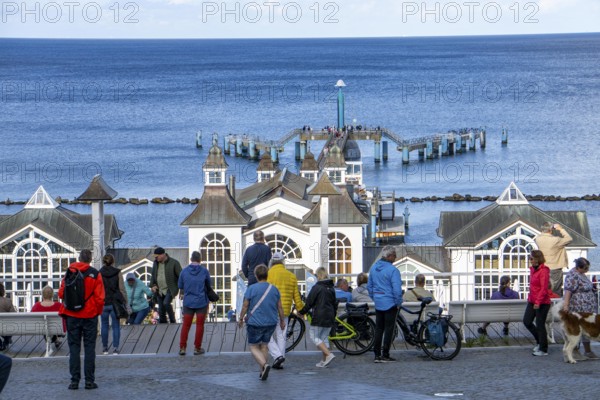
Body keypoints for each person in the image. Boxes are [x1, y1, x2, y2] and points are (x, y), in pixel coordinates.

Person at [58, 249, 104, 390]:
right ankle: (89, 381)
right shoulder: (95, 274)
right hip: (89, 314)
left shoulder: (69, 272)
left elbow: (61, 293)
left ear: (79, 258)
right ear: (90, 260)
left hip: (72, 315)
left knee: (74, 348)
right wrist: (97, 312)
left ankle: (74, 381)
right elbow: (100, 298)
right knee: (90, 348)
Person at [238, 264, 285, 381]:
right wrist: (282, 321)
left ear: (256, 275)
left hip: (255, 323)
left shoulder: (251, 289)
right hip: (271, 323)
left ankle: (264, 365)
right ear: (267, 275)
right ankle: (262, 371)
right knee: (264, 346)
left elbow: (245, 306)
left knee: (253, 347)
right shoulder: (274, 289)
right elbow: (280, 307)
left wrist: (240, 319)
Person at [267, 252, 305, 370]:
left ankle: (277, 356)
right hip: (285, 311)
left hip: (270, 309)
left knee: (266, 335)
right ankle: (281, 360)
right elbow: (296, 296)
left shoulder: (268, 274)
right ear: (283, 262)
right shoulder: (291, 276)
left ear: (272, 262)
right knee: (281, 335)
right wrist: (301, 309)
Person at [368, 245, 403, 363]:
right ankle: (385, 354)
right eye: (394, 255)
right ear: (389, 256)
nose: (396, 258)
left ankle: (377, 354)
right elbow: (397, 290)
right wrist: (398, 302)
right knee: (389, 329)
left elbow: (369, 287)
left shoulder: (373, 268)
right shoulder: (393, 270)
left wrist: (375, 298)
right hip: (390, 303)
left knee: (379, 329)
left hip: (378, 302)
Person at [298, 267, 337, 368]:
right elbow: (334, 304)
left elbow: (309, 302)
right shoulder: (331, 288)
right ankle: (324, 361)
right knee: (324, 338)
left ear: (318, 275)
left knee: (314, 336)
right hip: (330, 316)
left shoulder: (317, 287)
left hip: (319, 316)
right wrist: (333, 315)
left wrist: (302, 312)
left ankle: (328, 355)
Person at [562, 257, 598, 360]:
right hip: (579, 307)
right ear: (578, 267)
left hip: (587, 307)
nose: (587, 270)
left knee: (588, 328)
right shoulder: (572, 275)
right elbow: (568, 291)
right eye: (585, 268)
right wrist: (566, 306)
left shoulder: (581, 274)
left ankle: (588, 351)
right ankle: (574, 352)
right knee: (577, 329)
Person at [177, 251, 211, 356]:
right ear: (200, 259)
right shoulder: (204, 271)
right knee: (200, 325)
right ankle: (197, 348)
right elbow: (209, 284)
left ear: (191, 259)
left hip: (188, 302)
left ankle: (182, 348)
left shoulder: (184, 271)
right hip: (201, 302)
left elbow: (180, 285)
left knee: (186, 325)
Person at [523, 250, 551, 357]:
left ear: (537, 259)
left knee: (540, 325)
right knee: (527, 321)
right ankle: (540, 342)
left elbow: (543, 289)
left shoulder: (543, 271)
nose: (530, 260)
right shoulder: (533, 270)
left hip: (542, 302)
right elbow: (534, 287)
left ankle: (543, 349)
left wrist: (538, 302)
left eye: (531, 258)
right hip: (532, 301)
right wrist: (531, 299)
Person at [99, 254, 128, 355]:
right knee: (116, 326)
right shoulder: (117, 272)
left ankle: (105, 348)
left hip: (103, 302)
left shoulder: (99, 273)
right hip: (115, 303)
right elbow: (122, 289)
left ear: (103, 261)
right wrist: (125, 301)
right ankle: (115, 348)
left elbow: (98, 289)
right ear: (113, 261)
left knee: (104, 325)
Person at [535, 222, 572, 296]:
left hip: (542, 268)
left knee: (544, 289)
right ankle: (555, 306)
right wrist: (560, 229)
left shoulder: (538, 239)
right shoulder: (556, 240)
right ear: (551, 230)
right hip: (555, 268)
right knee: (556, 291)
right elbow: (569, 239)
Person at [150, 247, 182, 323]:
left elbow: (181, 276)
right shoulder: (155, 263)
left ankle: (172, 321)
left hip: (170, 288)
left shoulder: (174, 263)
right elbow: (153, 275)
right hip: (159, 289)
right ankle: (163, 325)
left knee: (166, 303)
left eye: (157, 256)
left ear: (163, 255)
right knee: (161, 309)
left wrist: (180, 288)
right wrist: (152, 285)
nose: (155, 257)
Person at [31, 286, 65, 351]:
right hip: (58, 328)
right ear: (52, 295)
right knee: (52, 326)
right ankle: (56, 339)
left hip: (40, 328)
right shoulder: (59, 305)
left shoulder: (36, 306)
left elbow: (31, 317)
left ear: (42, 295)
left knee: (46, 325)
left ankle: (54, 339)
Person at [0, 283, 15, 351]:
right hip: (6, 327)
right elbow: (14, 315)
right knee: (11, 325)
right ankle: (6, 340)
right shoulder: (8, 301)